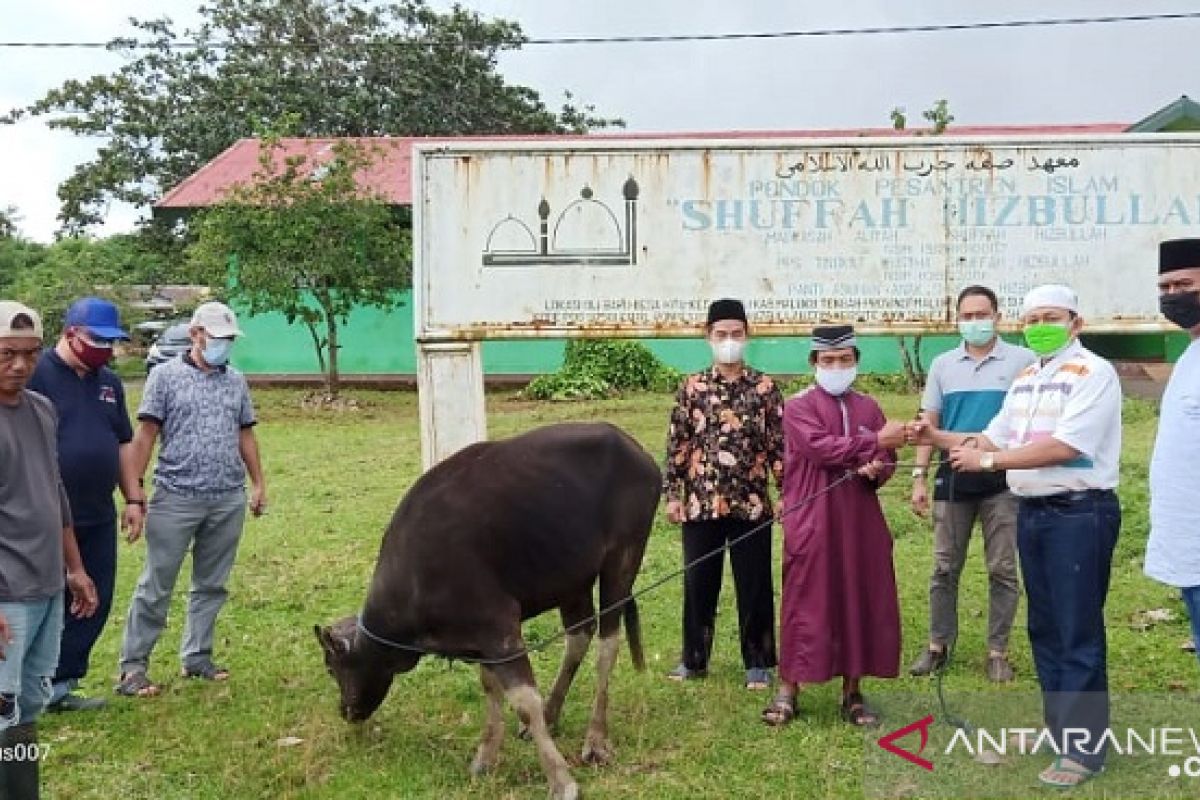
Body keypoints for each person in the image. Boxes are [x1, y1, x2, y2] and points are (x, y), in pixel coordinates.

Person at [910, 284, 1122, 788]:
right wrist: (933, 438)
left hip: (1079, 512)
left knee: (1076, 628)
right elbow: (992, 435)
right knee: (1045, 627)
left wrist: (990, 461)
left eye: (1051, 316)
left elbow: (1066, 446)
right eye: (1033, 318)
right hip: (1034, 512)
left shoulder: (1093, 373)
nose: (1040, 325)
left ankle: (1085, 749)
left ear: (1076, 321)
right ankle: (1060, 729)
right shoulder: (1028, 377)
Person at [115, 301, 267, 698]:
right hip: (176, 497)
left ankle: (197, 655)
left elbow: (245, 435)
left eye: (229, 340)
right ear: (196, 333)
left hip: (226, 497)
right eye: (218, 338)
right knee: (156, 585)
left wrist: (258, 483)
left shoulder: (235, 381)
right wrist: (134, 490)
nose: (224, 346)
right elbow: (145, 434)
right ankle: (133, 667)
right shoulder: (164, 377)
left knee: (211, 584)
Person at [762, 325, 907, 727]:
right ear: (814, 363)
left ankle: (853, 692)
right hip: (813, 520)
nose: (836, 367)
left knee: (860, 598)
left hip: (860, 521)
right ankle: (789, 689)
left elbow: (887, 458)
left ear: (856, 361)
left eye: (844, 359)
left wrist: (878, 467)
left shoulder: (869, 407)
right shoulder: (798, 406)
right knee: (805, 601)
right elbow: (820, 448)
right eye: (828, 360)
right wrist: (876, 441)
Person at [909, 286, 1035, 682]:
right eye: (967, 315)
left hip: (1004, 479)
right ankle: (937, 645)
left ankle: (998, 651)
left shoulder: (1023, 360)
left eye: (982, 314)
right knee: (944, 567)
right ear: (957, 318)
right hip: (954, 481)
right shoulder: (943, 365)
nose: (974, 321)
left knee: (1002, 568)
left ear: (997, 316)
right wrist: (918, 476)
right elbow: (928, 425)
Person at [27, 297, 146, 713]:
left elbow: (123, 442)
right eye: (98, 341)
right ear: (70, 333)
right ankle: (25, 689)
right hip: (43, 514)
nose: (106, 350)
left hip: (96, 511)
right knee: (41, 600)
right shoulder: (34, 373)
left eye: (112, 343)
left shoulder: (109, 383)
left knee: (93, 598)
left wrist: (133, 497)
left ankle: (61, 684)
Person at [0, 300, 98, 798]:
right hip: (6, 594)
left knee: (32, 700)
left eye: (30, 355)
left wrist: (75, 568)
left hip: (47, 585)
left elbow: (52, 489)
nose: (20, 365)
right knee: (2, 705)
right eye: (7, 355)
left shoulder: (40, 409)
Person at [663, 298, 783, 690]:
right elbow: (677, 445)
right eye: (721, 334)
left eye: (736, 334)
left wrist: (785, 492)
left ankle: (758, 662)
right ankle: (693, 660)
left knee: (755, 584)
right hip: (700, 503)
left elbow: (778, 446)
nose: (729, 341)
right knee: (699, 583)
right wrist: (673, 495)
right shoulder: (691, 388)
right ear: (708, 337)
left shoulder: (765, 388)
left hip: (751, 504)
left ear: (747, 336)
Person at [1145, 239, 1200, 673]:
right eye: (1165, 287)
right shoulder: (1189, 356)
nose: (1173, 296)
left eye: (1184, 284)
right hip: (1188, 540)